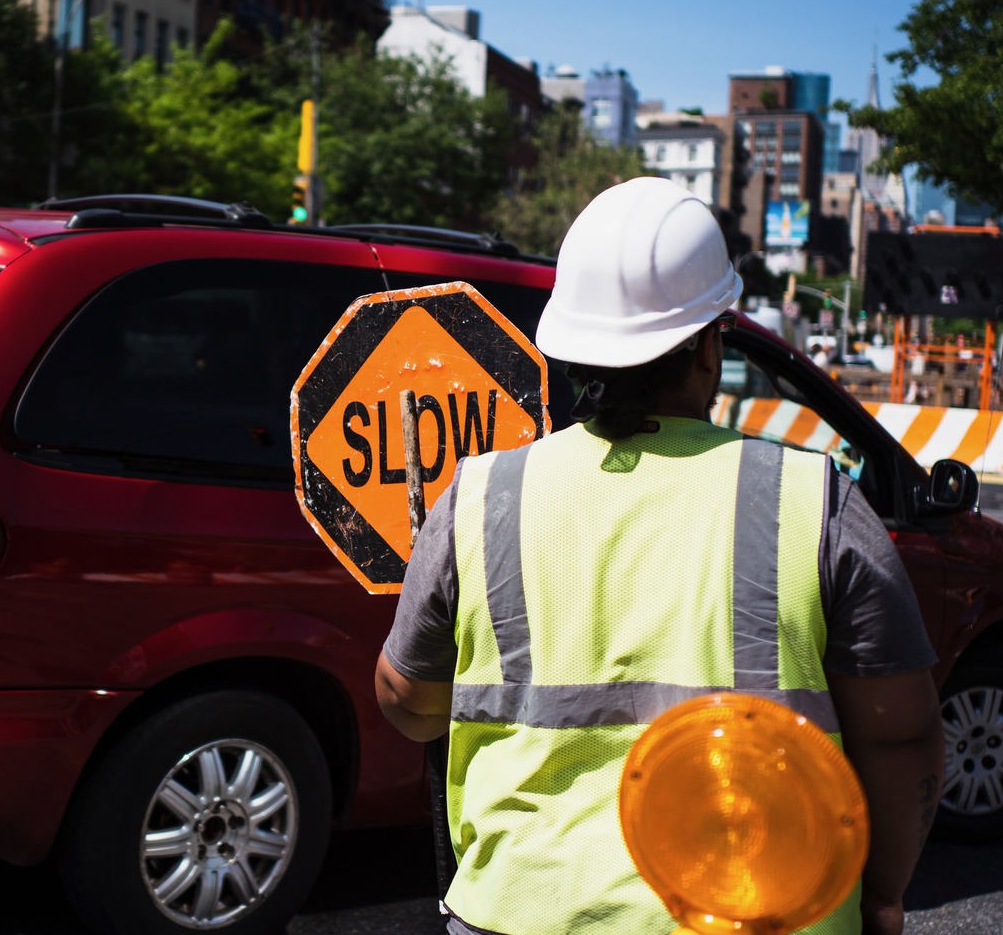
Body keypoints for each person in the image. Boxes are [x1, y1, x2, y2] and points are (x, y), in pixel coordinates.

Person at [376, 177, 943, 935]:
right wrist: (880, 893)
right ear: (710, 346)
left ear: (573, 347)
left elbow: (409, 706)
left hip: (518, 913)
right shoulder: (815, 499)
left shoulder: (478, 497)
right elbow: (901, 733)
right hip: (763, 912)